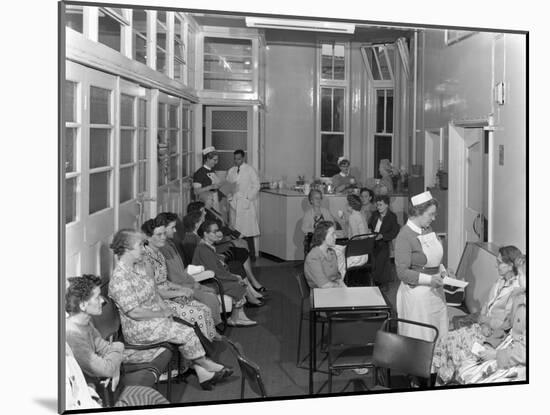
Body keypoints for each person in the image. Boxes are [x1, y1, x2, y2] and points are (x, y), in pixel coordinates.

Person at [108, 229, 231, 390]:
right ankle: (207, 364)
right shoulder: (119, 278)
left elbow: (155, 293)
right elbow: (134, 312)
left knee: (187, 326)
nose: (144, 249)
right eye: (140, 245)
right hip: (139, 328)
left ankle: (203, 373)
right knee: (187, 333)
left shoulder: (140, 267)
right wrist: (162, 314)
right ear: (127, 249)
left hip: (155, 320)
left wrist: (165, 310)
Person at [65, 276, 170, 408]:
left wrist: (114, 366)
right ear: (83, 305)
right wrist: (118, 348)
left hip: (107, 386)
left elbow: (106, 350)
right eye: (97, 297)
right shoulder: (73, 336)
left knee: (152, 395)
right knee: (147, 398)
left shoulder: (86, 323)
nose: (102, 300)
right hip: (95, 397)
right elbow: (107, 368)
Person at [431, 245, 523, 385]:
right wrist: (483, 321)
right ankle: (436, 381)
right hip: (482, 326)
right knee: (446, 339)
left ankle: (447, 381)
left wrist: (486, 321)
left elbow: (506, 323)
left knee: (458, 352)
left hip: (492, 333)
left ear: (510, 266)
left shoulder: (516, 291)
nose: (495, 265)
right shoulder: (499, 281)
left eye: (499, 263)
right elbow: (487, 305)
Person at [141, 218, 219, 341]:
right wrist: (180, 292)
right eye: (159, 234)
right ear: (148, 237)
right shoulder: (146, 259)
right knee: (198, 313)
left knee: (205, 309)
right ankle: (201, 352)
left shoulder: (159, 254)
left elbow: (164, 281)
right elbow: (154, 291)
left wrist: (181, 288)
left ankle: (207, 344)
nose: (163, 237)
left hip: (168, 294)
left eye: (164, 234)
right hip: (158, 302)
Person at [455, 254, 527, 384]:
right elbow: (506, 325)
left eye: (521, 275)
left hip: (516, 358)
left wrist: (496, 355)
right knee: (465, 369)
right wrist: (489, 344)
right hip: (504, 345)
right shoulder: (519, 296)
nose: (518, 278)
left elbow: (523, 352)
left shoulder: (516, 294)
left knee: (476, 377)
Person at [155, 212, 224, 330]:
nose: (175, 231)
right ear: (163, 228)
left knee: (211, 292)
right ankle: (213, 329)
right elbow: (174, 278)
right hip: (179, 287)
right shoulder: (163, 249)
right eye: (172, 227)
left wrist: (194, 283)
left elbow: (181, 272)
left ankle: (212, 329)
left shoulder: (171, 244)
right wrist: (193, 285)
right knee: (210, 297)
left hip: (186, 282)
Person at [395, 191, 448, 343]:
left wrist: (443, 270)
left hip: (436, 290)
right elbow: (402, 272)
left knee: (438, 333)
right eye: (430, 214)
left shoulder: (427, 229)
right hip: (417, 295)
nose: (434, 218)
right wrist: (429, 280)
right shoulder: (404, 236)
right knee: (422, 337)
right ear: (418, 212)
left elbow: (432, 258)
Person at [192, 194, 267, 294]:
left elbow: (222, 227)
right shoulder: (201, 231)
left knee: (242, 249)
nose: (205, 212)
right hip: (217, 247)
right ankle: (250, 289)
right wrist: (228, 237)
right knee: (240, 252)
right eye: (203, 211)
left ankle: (251, 284)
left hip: (217, 244)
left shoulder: (211, 213)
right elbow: (211, 241)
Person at [192, 220, 258, 327]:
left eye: (218, 230)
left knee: (238, 281)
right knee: (237, 284)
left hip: (213, 278)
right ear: (205, 233)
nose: (219, 234)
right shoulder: (203, 249)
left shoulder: (207, 247)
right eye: (215, 231)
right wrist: (234, 277)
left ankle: (237, 317)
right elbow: (216, 272)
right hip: (207, 282)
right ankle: (236, 318)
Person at [65, 343, 169, 410]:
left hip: (96, 395)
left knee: (150, 395)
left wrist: (92, 390)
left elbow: (80, 379)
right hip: (93, 403)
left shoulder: (64, 344)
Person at [226, 149, 261, 260]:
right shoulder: (231, 170)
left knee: (248, 232)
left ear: (243, 158)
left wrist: (248, 197)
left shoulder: (250, 170)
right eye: (235, 159)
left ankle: (252, 256)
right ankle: (238, 256)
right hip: (234, 203)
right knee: (235, 231)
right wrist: (230, 197)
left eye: (239, 159)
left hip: (245, 203)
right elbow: (228, 185)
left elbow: (256, 185)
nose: (237, 161)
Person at [368, 194, 400, 289]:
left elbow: (394, 231)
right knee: (373, 261)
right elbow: (370, 225)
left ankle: (382, 282)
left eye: (380, 205)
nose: (378, 207)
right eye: (377, 205)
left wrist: (383, 236)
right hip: (372, 240)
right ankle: (375, 281)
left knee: (382, 261)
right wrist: (370, 231)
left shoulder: (392, 216)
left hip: (383, 242)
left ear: (387, 205)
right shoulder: (375, 214)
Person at [304, 221, 346, 289]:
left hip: (333, 291)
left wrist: (343, 287)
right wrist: (339, 286)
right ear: (322, 236)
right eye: (332, 234)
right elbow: (324, 285)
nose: (335, 237)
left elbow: (337, 277)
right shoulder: (313, 257)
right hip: (319, 294)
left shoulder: (332, 253)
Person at [192, 146, 227, 220]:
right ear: (207, 159)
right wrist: (210, 187)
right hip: (206, 202)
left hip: (215, 200)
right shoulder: (199, 173)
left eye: (217, 160)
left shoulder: (211, 171)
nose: (216, 162)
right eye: (214, 160)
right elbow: (196, 191)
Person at [301, 189, 340, 255]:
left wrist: (328, 232)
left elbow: (333, 225)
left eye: (320, 198)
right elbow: (304, 229)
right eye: (316, 198)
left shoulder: (326, 211)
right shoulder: (308, 214)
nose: (318, 200)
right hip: (313, 240)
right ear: (311, 200)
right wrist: (319, 231)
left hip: (327, 239)